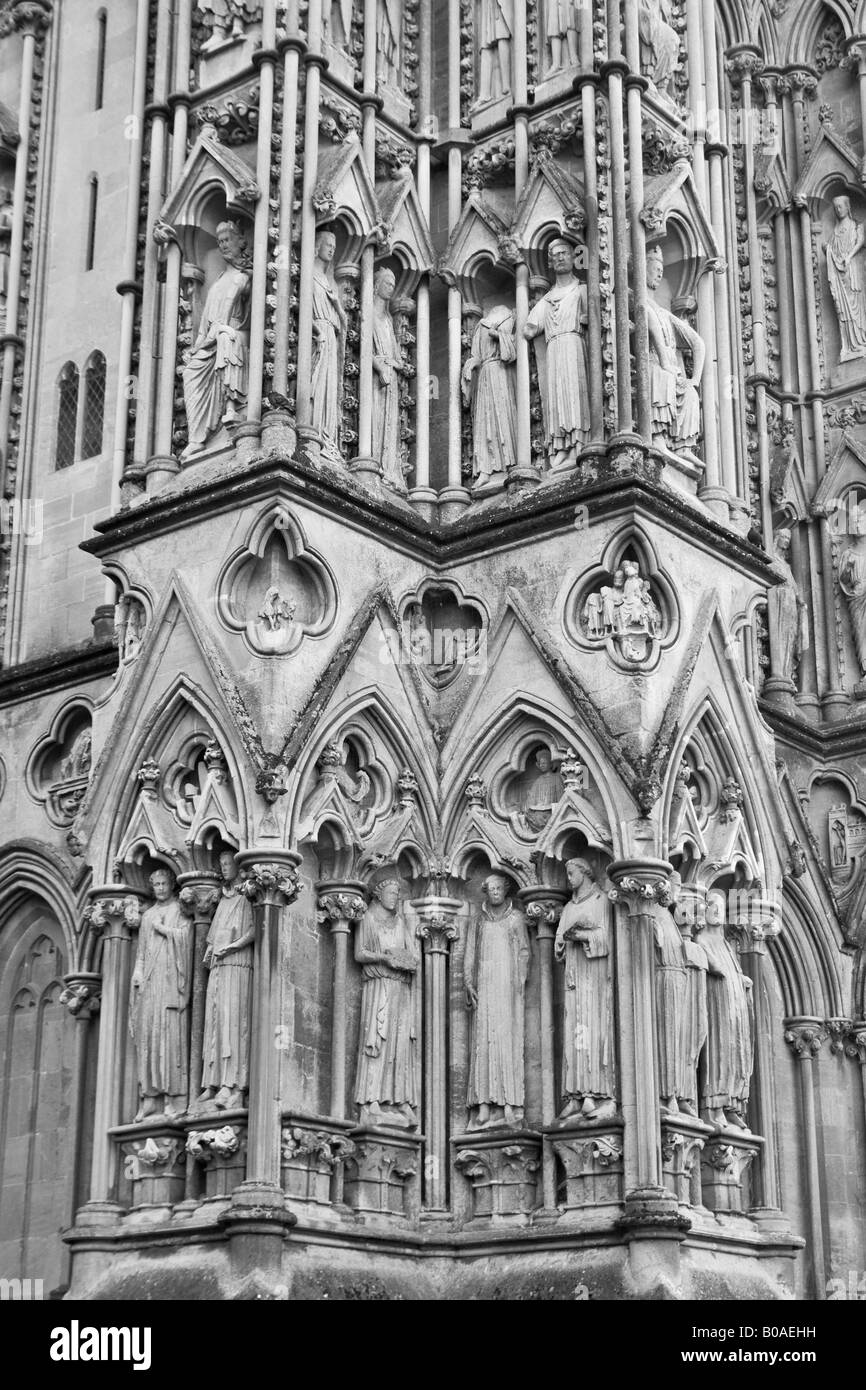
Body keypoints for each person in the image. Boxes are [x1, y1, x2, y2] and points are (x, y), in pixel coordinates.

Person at [464, 874, 530, 1129]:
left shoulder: (516, 919)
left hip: (507, 991)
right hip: (485, 988)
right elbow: (470, 952)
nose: (494, 893)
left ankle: (509, 1106)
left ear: (506, 891)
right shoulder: (478, 921)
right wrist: (468, 982)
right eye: (490, 889)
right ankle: (482, 1106)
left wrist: (519, 982)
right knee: (482, 1044)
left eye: (498, 888)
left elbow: (524, 950)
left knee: (506, 1044)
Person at [181, 221, 252, 460]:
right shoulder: (220, 280)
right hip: (211, 339)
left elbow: (246, 316)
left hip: (236, 335)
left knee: (225, 337)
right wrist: (196, 348)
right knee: (190, 371)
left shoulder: (244, 277)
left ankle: (232, 409)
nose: (222, 245)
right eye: (219, 241)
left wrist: (220, 331)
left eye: (227, 240)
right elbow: (205, 326)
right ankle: (197, 438)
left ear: (240, 241)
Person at [353, 877, 419, 1128]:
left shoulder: (401, 921)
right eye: (391, 892)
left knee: (399, 1046)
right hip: (378, 987)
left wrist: (408, 961)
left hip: (400, 989)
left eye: (398, 892)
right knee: (376, 1042)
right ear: (379, 894)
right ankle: (371, 1100)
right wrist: (385, 959)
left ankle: (399, 1099)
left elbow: (413, 955)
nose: (396, 896)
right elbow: (359, 953)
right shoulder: (367, 918)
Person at [553, 857, 616, 1120]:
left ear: (585, 872)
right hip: (574, 979)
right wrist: (564, 941)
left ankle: (595, 1094)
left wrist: (581, 936)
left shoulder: (601, 901)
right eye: (567, 873)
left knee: (593, 1033)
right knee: (573, 1035)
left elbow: (607, 938)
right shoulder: (568, 907)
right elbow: (558, 942)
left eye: (571, 873)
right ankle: (574, 1095)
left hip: (595, 979)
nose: (568, 879)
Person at [129, 867, 193, 1122]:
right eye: (156, 884)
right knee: (150, 1038)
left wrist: (166, 931)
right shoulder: (148, 916)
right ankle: (149, 1098)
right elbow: (142, 952)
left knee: (170, 1040)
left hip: (171, 982)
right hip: (151, 984)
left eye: (164, 883)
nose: (160, 888)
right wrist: (137, 972)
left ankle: (172, 1098)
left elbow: (188, 938)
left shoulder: (179, 910)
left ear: (172, 885)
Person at [196, 851, 255, 1111]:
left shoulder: (245, 899)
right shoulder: (223, 901)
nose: (225, 867)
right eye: (222, 864)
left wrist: (232, 947)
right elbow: (211, 937)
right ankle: (212, 1081)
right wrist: (212, 952)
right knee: (215, 1023)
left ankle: (232, 1084)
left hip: (237, 965)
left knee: (233, 1024)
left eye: (228, 863)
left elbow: (255, 931)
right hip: (219, 967)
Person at [524, 239, 590, 469]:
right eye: (555, 255)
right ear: (550, 263)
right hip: (554, 349)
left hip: (573, 345)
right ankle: (561, 448)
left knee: (574, 394)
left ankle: (578, 444)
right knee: (557, 398)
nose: (560, 257)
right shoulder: (546, 299)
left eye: (564, 253)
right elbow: (529, 329)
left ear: (574, 258)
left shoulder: (581, 290)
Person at [645, 245, 704, 450]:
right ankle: (657, 435)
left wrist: (694, 380)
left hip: (669, 368)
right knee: (662, 376)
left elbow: (697, 343)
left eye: (662, 267)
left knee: (691, 393)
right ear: (642, 267)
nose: (660, 272)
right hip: (652, 364)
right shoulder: (639, 302)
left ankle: (683, 446)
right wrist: (665, 363)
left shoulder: (663, 312)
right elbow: (652, 330)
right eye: (654, 266)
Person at [462, 304, 517, 487]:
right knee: (484, 422)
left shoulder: (509, 316)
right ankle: (485, 470)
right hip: (485, 375)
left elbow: (511, 353)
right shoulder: (480, 326)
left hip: (501, 373)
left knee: (503, 418)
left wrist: (499, 336)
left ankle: (510, 465)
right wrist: (472, 364)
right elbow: (477, 354)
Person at [310, 228, 347, 459]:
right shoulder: (310, 275)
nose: (332, 249)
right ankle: (313, 431)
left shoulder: (327, 280)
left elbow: (343, 321)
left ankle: (328, 436)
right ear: (317, 246)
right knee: (318, 385)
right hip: (320, 336)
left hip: (331, 336)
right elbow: (304, 309)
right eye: (328, 244)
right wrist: (317, 332)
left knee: (330, 389)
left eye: (334, 246)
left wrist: (337, 304)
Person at [371, 268, 405, 490]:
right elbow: (364, 348)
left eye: (393, 284)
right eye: (387, 283)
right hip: (376, 377)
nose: (391, 287)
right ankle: (373, 462)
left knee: (390, 423)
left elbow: (399, 359)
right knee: (375, 419)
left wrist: (392, 365)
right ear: (376, 284)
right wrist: (379, 366)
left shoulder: (388, 318)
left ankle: (389, 468)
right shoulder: (369, 312)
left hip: (390, 376)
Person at [824, 196, 866, 363]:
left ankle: (861, 340)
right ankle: (848, 345)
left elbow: (860, 241)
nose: (838, 210)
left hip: (852, 270)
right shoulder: (835, 230)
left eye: (840, 206)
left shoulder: (856, 225)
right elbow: (831, 247)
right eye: (836, 207)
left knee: (857, 306)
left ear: (848, 207)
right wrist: (826, 249)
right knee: (843, 307)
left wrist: (848, 257)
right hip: (839, 273)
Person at [839, 545, 866, 686]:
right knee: (860, 632)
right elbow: (843, 579)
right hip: (857, 595)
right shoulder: (848, 553)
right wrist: (848, 567)